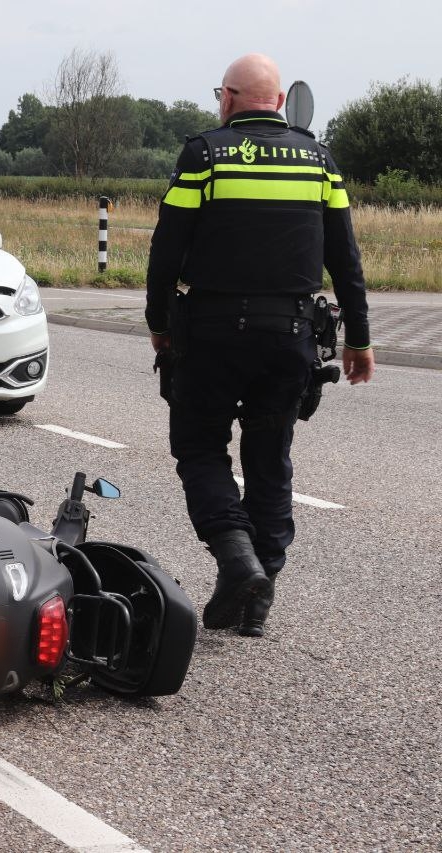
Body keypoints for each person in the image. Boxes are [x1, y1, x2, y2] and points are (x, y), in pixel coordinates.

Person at [146, 54, 375, 637]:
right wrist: (360, 340)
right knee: (270, 461)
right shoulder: (318, 158)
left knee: (199, 449)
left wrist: (159, 323)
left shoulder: (205, 154)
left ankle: (237, 559)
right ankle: (256, 592)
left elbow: (166, 250)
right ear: (276, 103)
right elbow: (344, 257)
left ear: (228, 98)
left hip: (214, 336)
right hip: (290, 337)